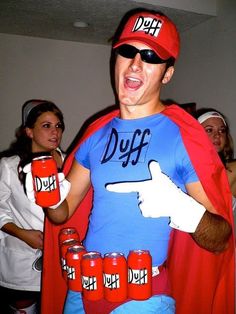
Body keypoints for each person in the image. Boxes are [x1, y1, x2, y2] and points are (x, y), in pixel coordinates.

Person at [25, 9, 234, 314]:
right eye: (128, 51)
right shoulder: (95, 133)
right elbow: (63, 213)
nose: (136, 63)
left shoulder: (183, 137)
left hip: (143, 299)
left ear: (167, 73)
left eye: (151, 56)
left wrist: (185, 211)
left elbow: (221, 239)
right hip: (82, 291)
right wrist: (49, 196)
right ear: (116, 59)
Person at [0, 99, 65, 314]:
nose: (55, 132)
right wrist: (21, 233)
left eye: (58, 126)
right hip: (23, 262)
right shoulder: (10, 166)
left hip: (60, 262)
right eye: (46, 126)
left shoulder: (71, 164)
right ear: (29, 131)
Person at [196, 108, 236, 224]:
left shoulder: (231, 170)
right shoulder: (184, 169)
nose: (217, 135)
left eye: (222, 131)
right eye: (209, 130)